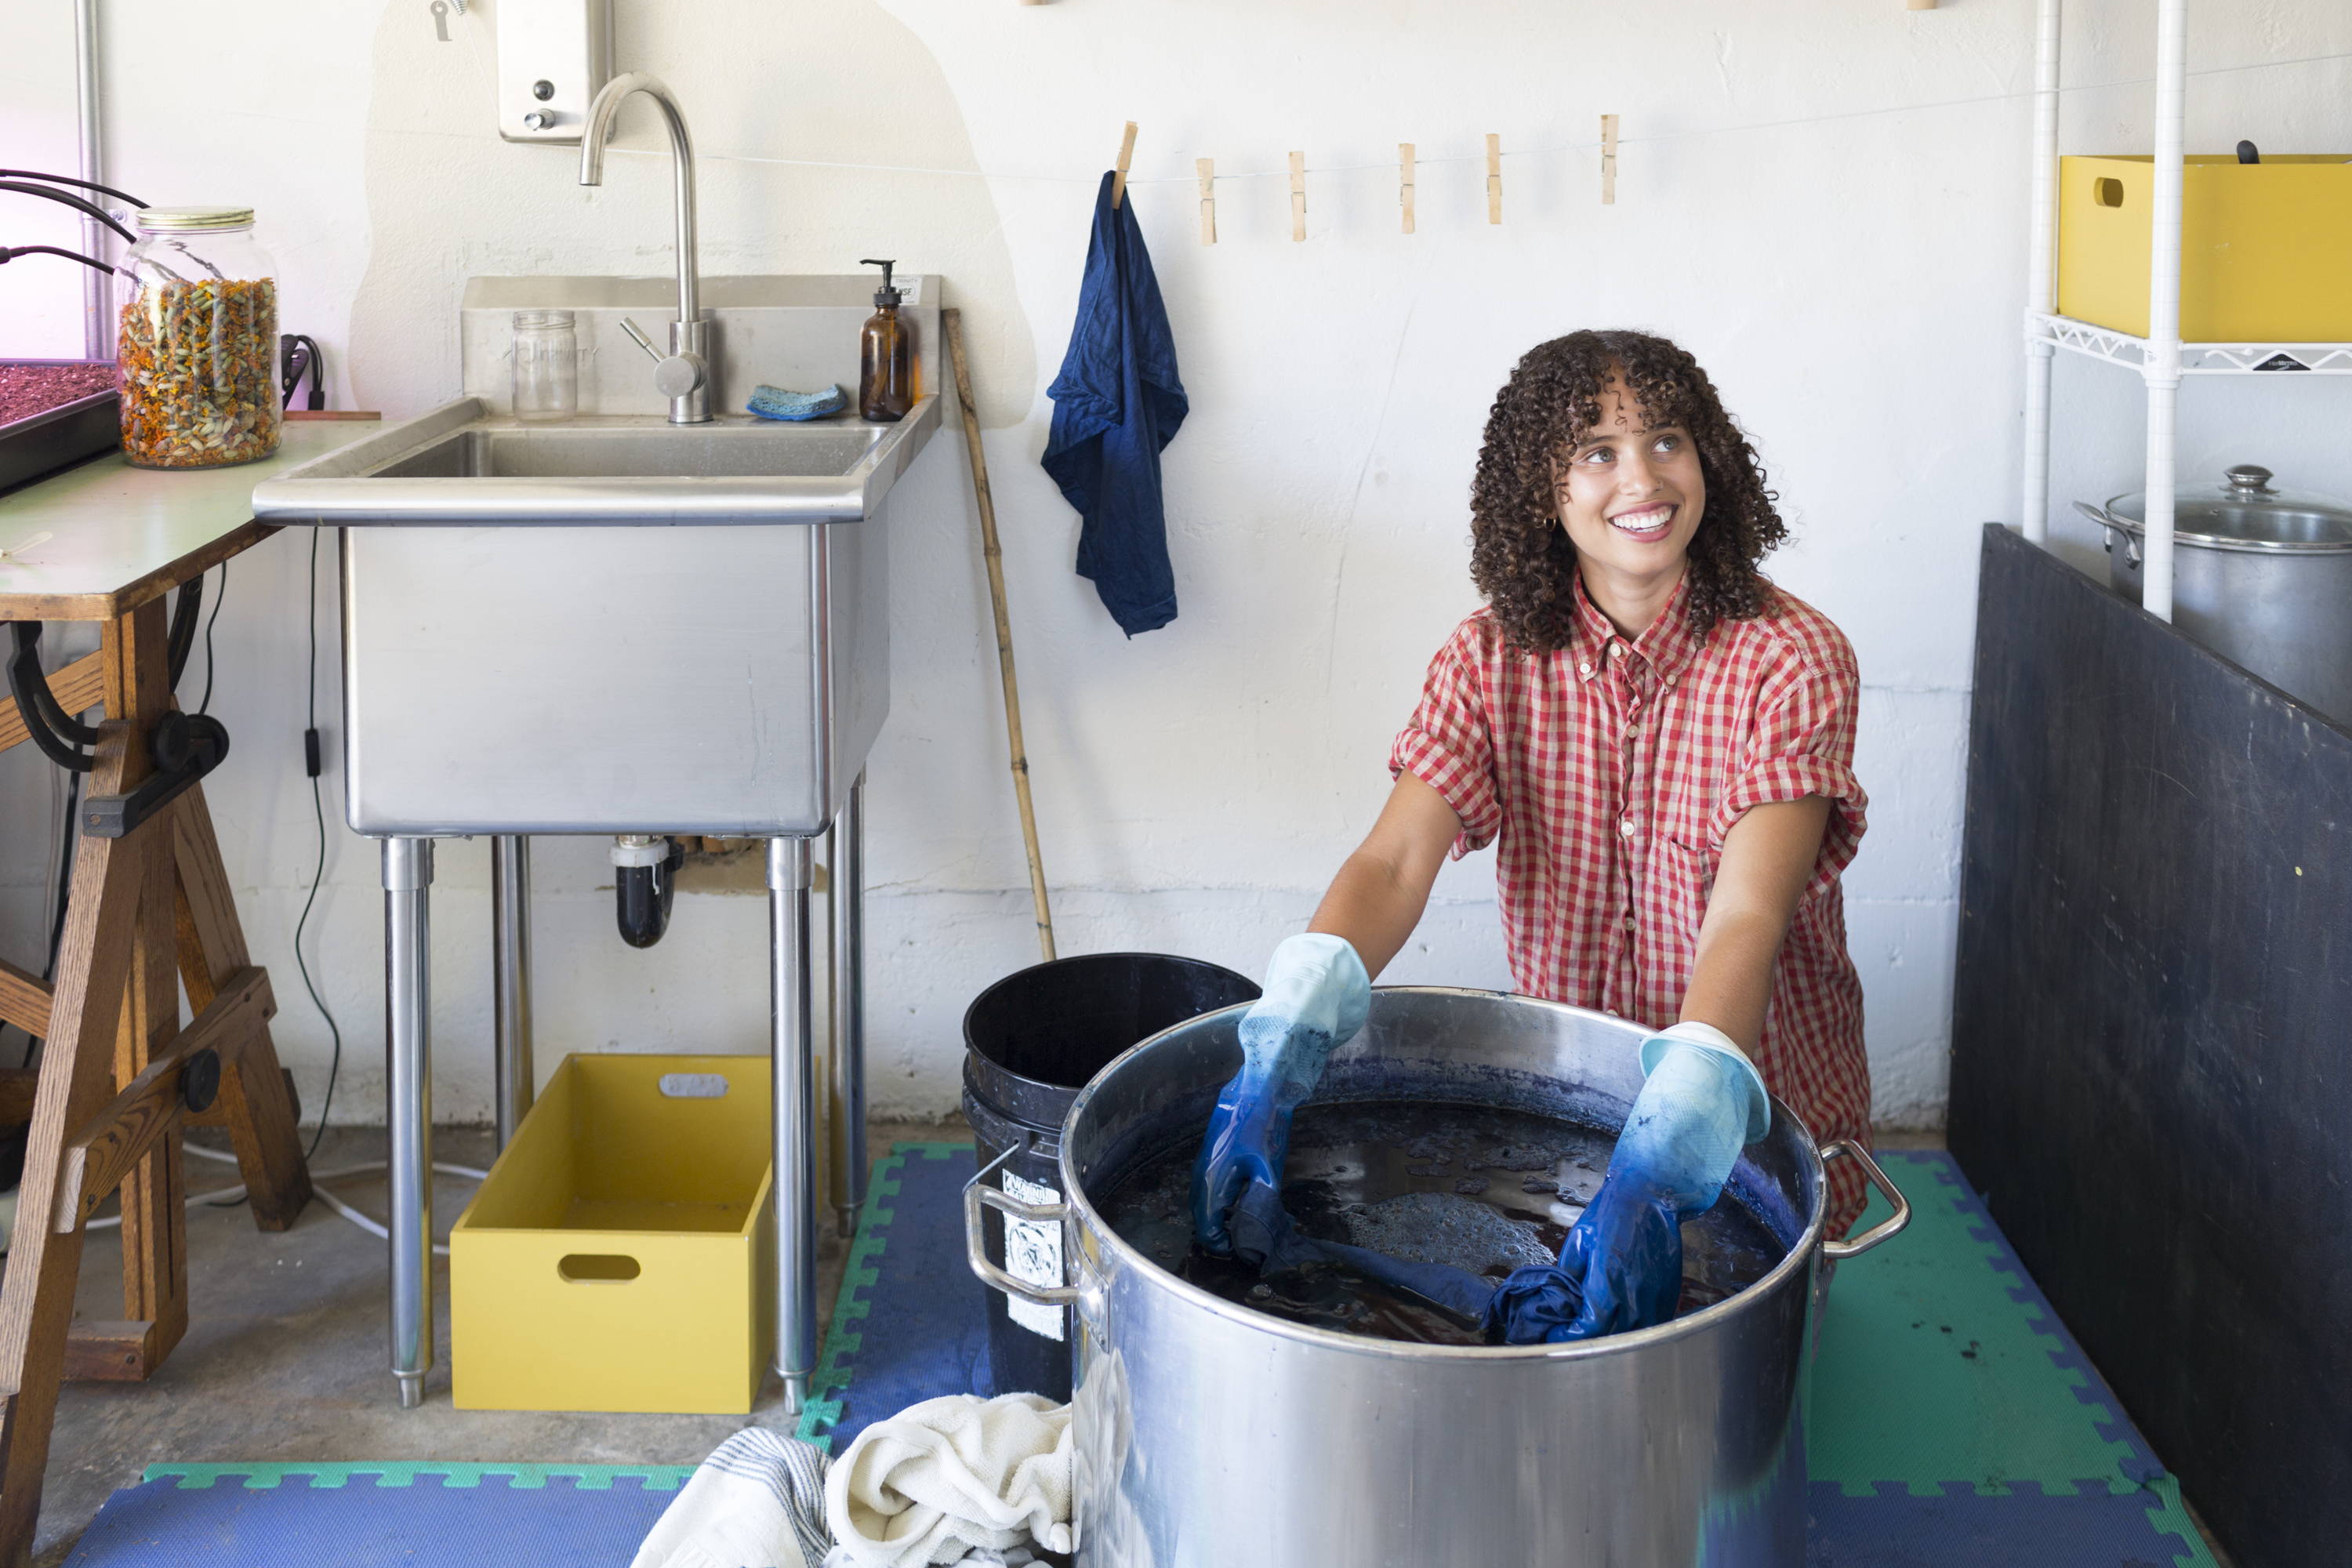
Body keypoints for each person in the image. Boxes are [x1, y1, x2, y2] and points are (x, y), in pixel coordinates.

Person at [1192, 329, 1871, 1342]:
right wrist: (1293, 1024)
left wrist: (1669, 1139)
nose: (1641, 478)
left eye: (1667, 441)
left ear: (1711, 461)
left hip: (1752, 1123)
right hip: (1572, 1113)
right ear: (1539, 490)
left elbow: (1747, 914)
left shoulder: (1791, 659)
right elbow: (1394, 859)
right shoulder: (1490, 661)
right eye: (1597, 451)